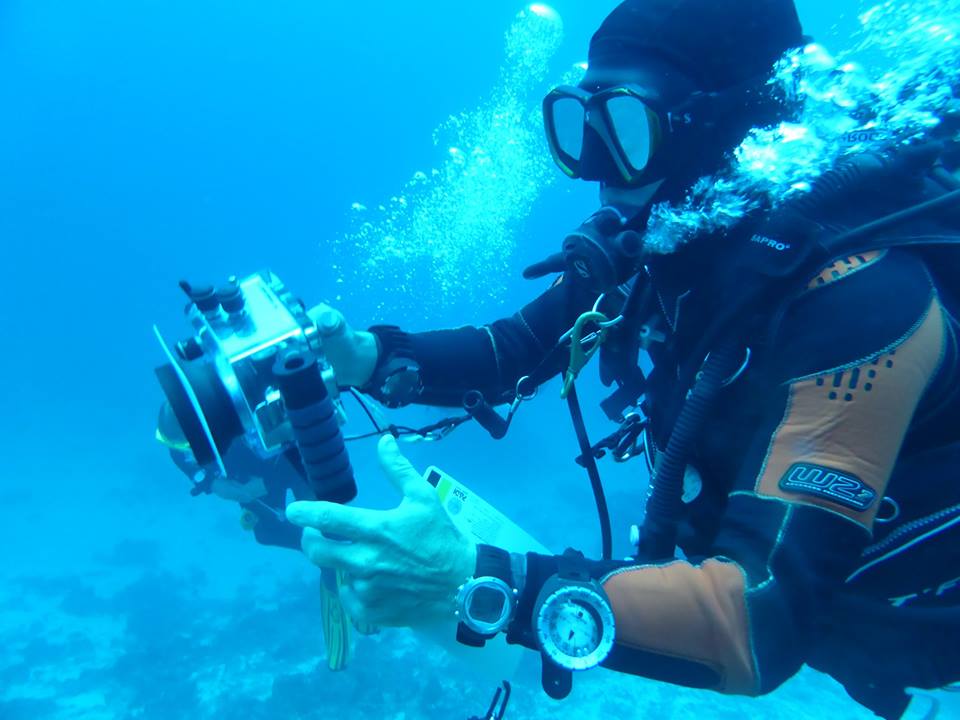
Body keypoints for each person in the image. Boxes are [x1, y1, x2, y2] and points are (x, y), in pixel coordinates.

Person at [283, 1, 960, 718]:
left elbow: (758, 620)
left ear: (728, 129)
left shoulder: (862, 302)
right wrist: (368, 357)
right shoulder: (661, 250)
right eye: (581, 126)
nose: (597, 172)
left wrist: (479, 580)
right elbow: (513, 350)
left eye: (629, 128)